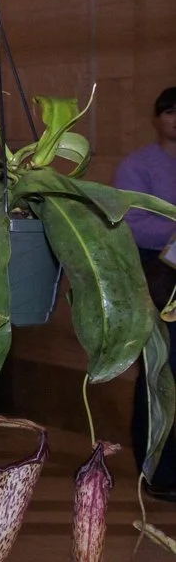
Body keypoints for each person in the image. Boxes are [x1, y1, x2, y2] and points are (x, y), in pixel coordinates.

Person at [116, 86, 176, 497]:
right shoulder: (139, 165)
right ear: (158, 118)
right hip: (161, 279)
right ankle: (158, 470)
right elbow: (131, 221)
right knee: (161, 370)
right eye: (169, 111)